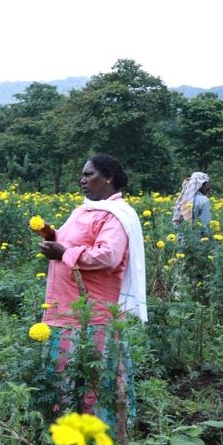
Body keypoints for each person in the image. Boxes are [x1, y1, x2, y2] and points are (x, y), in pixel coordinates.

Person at [38, 154, 146, 425]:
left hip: (93, 311)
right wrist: (53, 238)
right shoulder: (85, 209)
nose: (82, 180)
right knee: (65, 369)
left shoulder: (116, 215)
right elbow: (70, 243)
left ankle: (97, 429)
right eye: (82, 175)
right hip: (67, 306)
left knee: (93, 374)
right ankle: (62, 426)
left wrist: (64, 252)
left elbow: (108, 255)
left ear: (108, 177)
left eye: (89, 175)